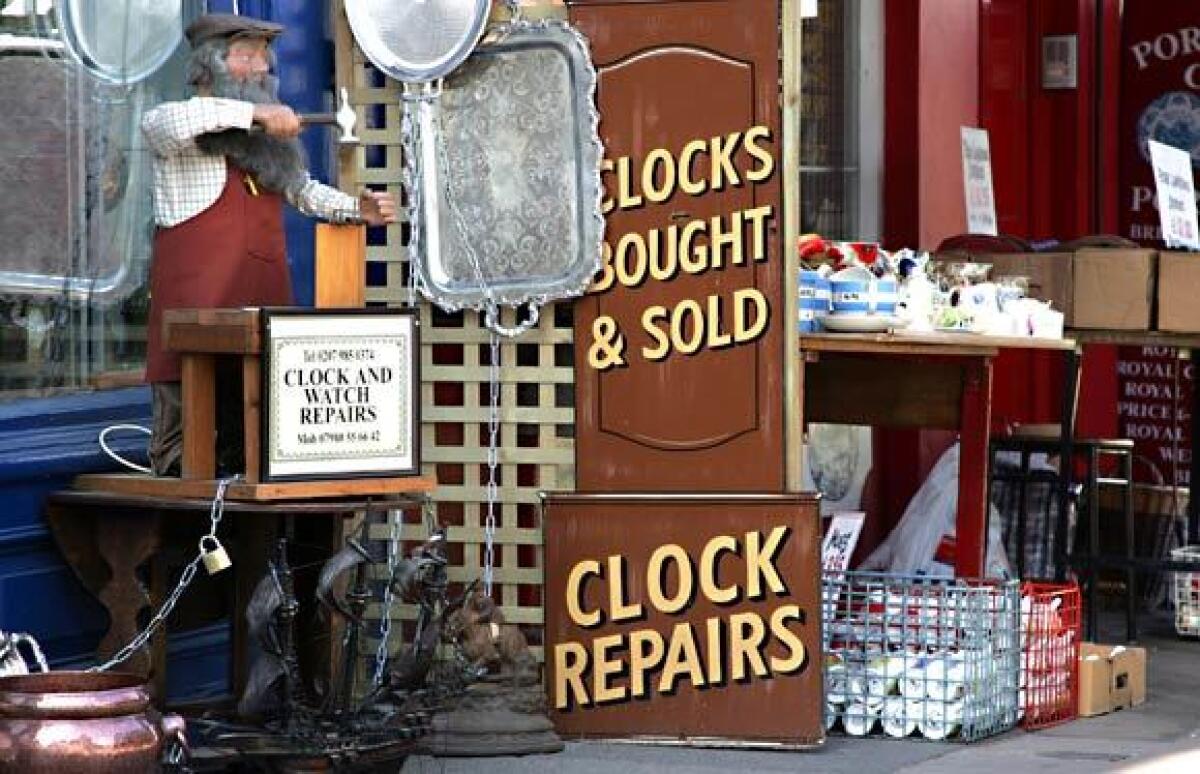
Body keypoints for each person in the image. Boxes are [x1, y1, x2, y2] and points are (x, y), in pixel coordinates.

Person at [141, 13, 396, 476]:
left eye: (264, 56)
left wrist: (358, 210)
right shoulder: (179, 133)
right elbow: (168, 122)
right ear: (209, 65)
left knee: (254, 456)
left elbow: (303, 190)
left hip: (258, 326)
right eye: (246, 55)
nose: (261, 67)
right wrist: (256, 113)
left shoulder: (264, 146)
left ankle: (255, 550)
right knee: (184, 463)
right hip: (191, 333)